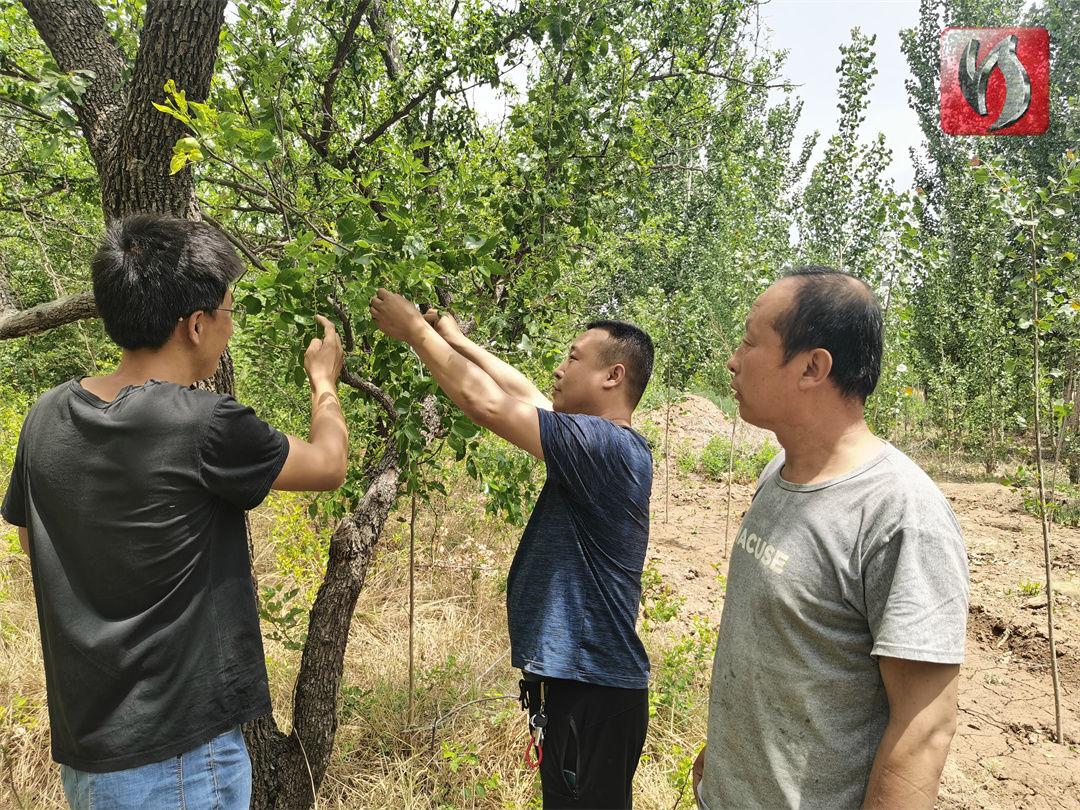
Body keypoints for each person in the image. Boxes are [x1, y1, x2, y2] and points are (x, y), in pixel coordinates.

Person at [1, 214, 349, 809]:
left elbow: (37, 544)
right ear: (195, 324)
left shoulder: (44, 417)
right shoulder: (204, 423)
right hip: (182, 762)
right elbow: (327, 464)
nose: (229, 327)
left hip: (90, 758)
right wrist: (323, 382)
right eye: (228, 313)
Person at [693, 267, 969, 810]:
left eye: (750, 341)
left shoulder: (899, 514)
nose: (732, 358)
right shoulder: (776, 474)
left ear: (813, 367)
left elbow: (924, 728)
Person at [369, 289, 654, 808]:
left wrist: (415, 332)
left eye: (572, 357)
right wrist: (454, 340)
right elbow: (520, 391)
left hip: (593, 692)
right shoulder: (595, 443)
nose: (558, 368)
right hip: (584, 689)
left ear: (613, 375)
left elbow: (486, 403)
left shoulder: (603, 446)